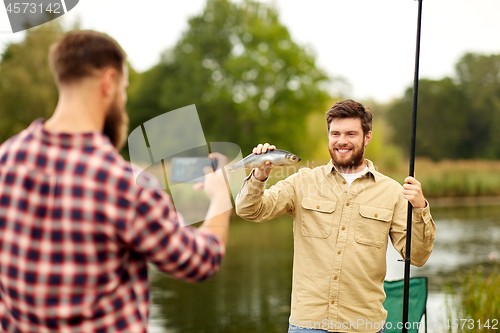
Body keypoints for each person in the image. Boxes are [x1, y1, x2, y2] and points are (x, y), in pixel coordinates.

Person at [0, 30, 232, 332]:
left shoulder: (5, 159)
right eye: (124, 89)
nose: (123, 100)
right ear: (108, 83)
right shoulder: (124, 184)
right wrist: (220, 198)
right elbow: (202, 260)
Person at [236, 99, 436, 333]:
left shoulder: (393, 192)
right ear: (329, 136)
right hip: (307, 325)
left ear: (367, 137)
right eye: (335, 133)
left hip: (363, 326)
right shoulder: (302, 181)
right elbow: (250, 211)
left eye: (351, 134)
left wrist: (420, 207)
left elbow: (418, 256)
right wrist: (259, 176)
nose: (342, 141)